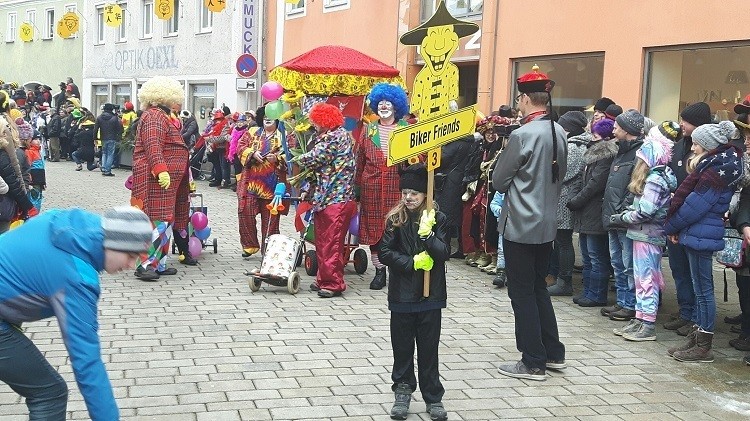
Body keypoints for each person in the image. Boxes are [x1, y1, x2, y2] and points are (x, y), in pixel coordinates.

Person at [0, 206, 153, 421]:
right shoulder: (77, 277)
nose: (131, 265)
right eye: (130, 255)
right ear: (113, 243)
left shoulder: (64, 222)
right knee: (49, 394)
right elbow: (86, 362)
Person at [492, 66, 567, 380]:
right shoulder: (559, 131)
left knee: (521, 293)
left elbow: (499, 180)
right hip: (546, 222)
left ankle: (533, 360)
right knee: (538, 288)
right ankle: (553, 352)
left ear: (525, 99)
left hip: (520, 223)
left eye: (519, 98)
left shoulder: (522, 134)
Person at [665, 121, 743, 363]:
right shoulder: (714, 167)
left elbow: (695, 205)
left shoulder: (715, 172)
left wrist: (672, 225)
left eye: (697, 144)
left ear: (708, 146)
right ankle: (697, 337)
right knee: (701, 291)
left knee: (704, 292)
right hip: (698, 231)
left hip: (702, 233)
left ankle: (703, 346)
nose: (693, 147)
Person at [379, 164, 450, 421]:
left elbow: (444, 253)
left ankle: (433, 396)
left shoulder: (438, 219)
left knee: (429, 349)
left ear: (426, 194)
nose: (408, 197)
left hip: (431, 296)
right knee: (402, 346)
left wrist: (429, 236)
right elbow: (385, 252)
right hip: (402, 295)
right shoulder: (395, 219)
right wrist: (411, 263)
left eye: (414, 193)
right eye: (405, 192)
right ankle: (403, 389)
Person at [609, 122, 679, 341]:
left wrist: (623, 217)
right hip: (643, 234)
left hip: (648, 235)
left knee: (646, 280)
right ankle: (640, 319)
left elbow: (646, 211)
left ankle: (647, 324)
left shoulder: (654, 180)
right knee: (641, 279)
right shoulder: (657, 177)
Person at [130, 76, 193, 281]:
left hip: (166, 180)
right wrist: (160, 169)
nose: (179, 102)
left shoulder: (162, 116)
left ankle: (159, 264)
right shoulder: (154, 116)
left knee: (166, 220)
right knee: (155, 220)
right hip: (155, 179)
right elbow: (153, 144)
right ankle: (145, 265)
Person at [293, 103, 356, 298]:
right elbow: (319, 170)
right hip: (325, 198)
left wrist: (294, 158)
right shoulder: (328, 136)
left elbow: (315, 158)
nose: (313, 124)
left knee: (332, 243)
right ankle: (323, 278)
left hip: (336, 198)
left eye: (316, 121)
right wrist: (308, 190)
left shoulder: (335, 137)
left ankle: (333, 283)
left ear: (325, 121)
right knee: (322, 241)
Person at [355, 83, 411, 290]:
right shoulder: (368, 130)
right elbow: (360, 161)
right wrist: (357, 190)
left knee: (398, 229)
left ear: (396, 106)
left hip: (397, 188)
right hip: (372, 188)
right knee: (374, 232)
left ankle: (398, 269)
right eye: (381, 102)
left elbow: (416, 161)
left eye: (388, 102)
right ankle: (379, 272)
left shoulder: (406, 129)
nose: (384, 106)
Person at [664, 102, 713, 335]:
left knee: (695, 274)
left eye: (685, 121)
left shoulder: (708, 152)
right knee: (678, 268)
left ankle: (696, 318)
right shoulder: (678, 147)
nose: (681, 124)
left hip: (694, 219)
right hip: (675, 216)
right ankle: (685, 312)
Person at [600, 109, 645, 322]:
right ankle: (622, 300)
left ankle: (630, 304)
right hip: (612, 216)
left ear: (627, 130)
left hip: (624, 218)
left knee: (628, 265)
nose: (613, 129)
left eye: (617, 126)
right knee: (617, 263)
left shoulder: (639, 154)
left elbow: (635, 186)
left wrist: (622, 210)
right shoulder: (620, 151)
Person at [567, 119, 617, 307]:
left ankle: (597, 294)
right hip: (585, 211)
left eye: (595, 135)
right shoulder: (591, 155)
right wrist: (574, 198)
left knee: (596, 256)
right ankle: (588, 291)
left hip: (595, 210)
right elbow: (582, 180)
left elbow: (595, 184)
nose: (591, 138)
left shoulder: (606, 156)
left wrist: (577, 200)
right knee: (587, 256)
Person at [236, 105, 287, 258]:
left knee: (271, 220)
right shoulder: (252, 132)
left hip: (272, 186)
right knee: (245, 213)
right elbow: (240, 146)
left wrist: (277, 158)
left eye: (270, 118)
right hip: (250, 184)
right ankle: (249, 245)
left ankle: (269, 249)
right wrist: (252, 153)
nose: (267, 121)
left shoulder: (283, 136)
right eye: (264, 118)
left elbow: (291, 156)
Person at [548, 111, 589, 296]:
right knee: (560, 240)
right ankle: (559, 277)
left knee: (564, 241)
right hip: (564, 198)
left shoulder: (574, 147)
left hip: (565, 199)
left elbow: (564, 173)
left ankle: (565, 281)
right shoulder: (577, 144)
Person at [94, 103, 123, 177]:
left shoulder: (99, 117)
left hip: (103, 138)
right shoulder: (114, 118)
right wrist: (119, 136)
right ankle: (107, 170)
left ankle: (103, 168)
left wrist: (95, 138)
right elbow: (119, 129)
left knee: (104, 153)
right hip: (112, 138)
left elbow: (95, 129)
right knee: (110, 154)